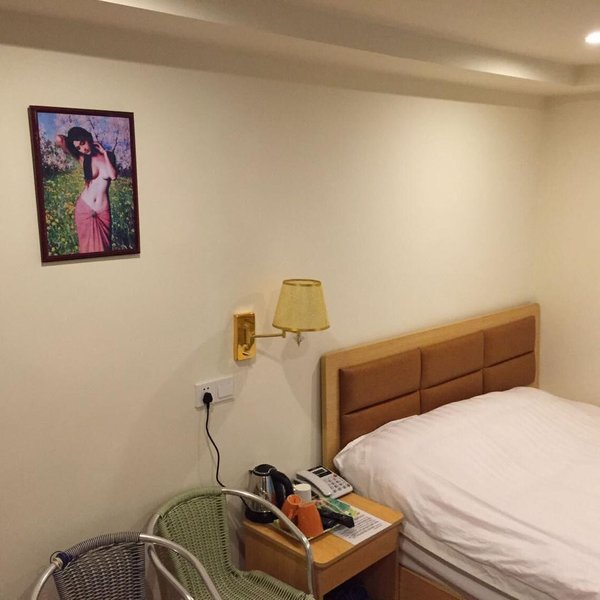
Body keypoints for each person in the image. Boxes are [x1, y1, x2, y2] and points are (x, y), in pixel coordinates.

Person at [55, 126, 117, 253]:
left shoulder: (109, 156)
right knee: (86, 251)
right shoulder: (83, 159)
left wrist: (105, 153)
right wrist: (72, 140)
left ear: (88, 138)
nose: (83, 149)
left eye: (83, 143)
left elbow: (113, 176)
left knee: (105, 251)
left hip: (102, 211)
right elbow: (59, 140)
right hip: (84, 208)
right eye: (78, 148)